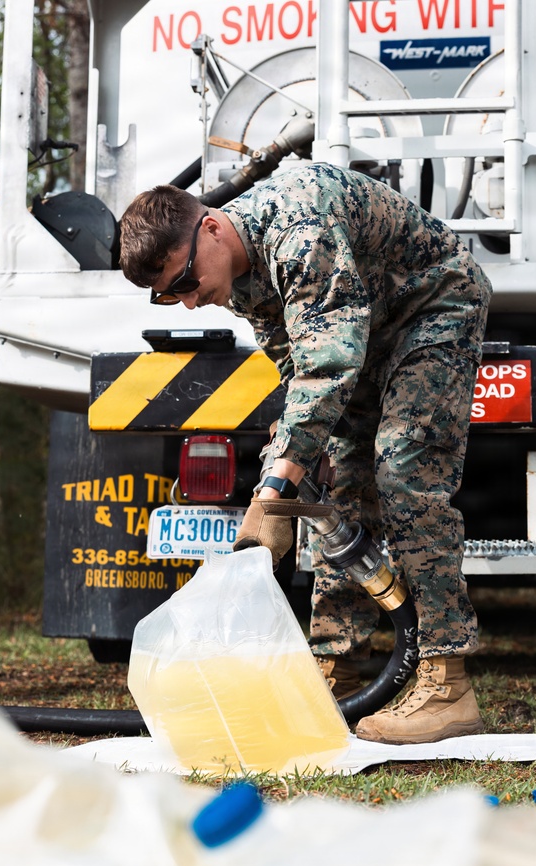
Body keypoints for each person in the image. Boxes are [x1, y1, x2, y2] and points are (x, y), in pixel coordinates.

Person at [118, 162, 492, 745]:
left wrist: (271, 493)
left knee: (403, 470)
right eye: (171, 298)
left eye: (186, 280)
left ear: (211, 228)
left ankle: (448, 684)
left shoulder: (299, 230)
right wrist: (290, 462)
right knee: (335, 485)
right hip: (361, 332)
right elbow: (299, 367)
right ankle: (335, 668)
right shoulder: (236, 276)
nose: (189, 303)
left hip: (431, 308)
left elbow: (327, 364)